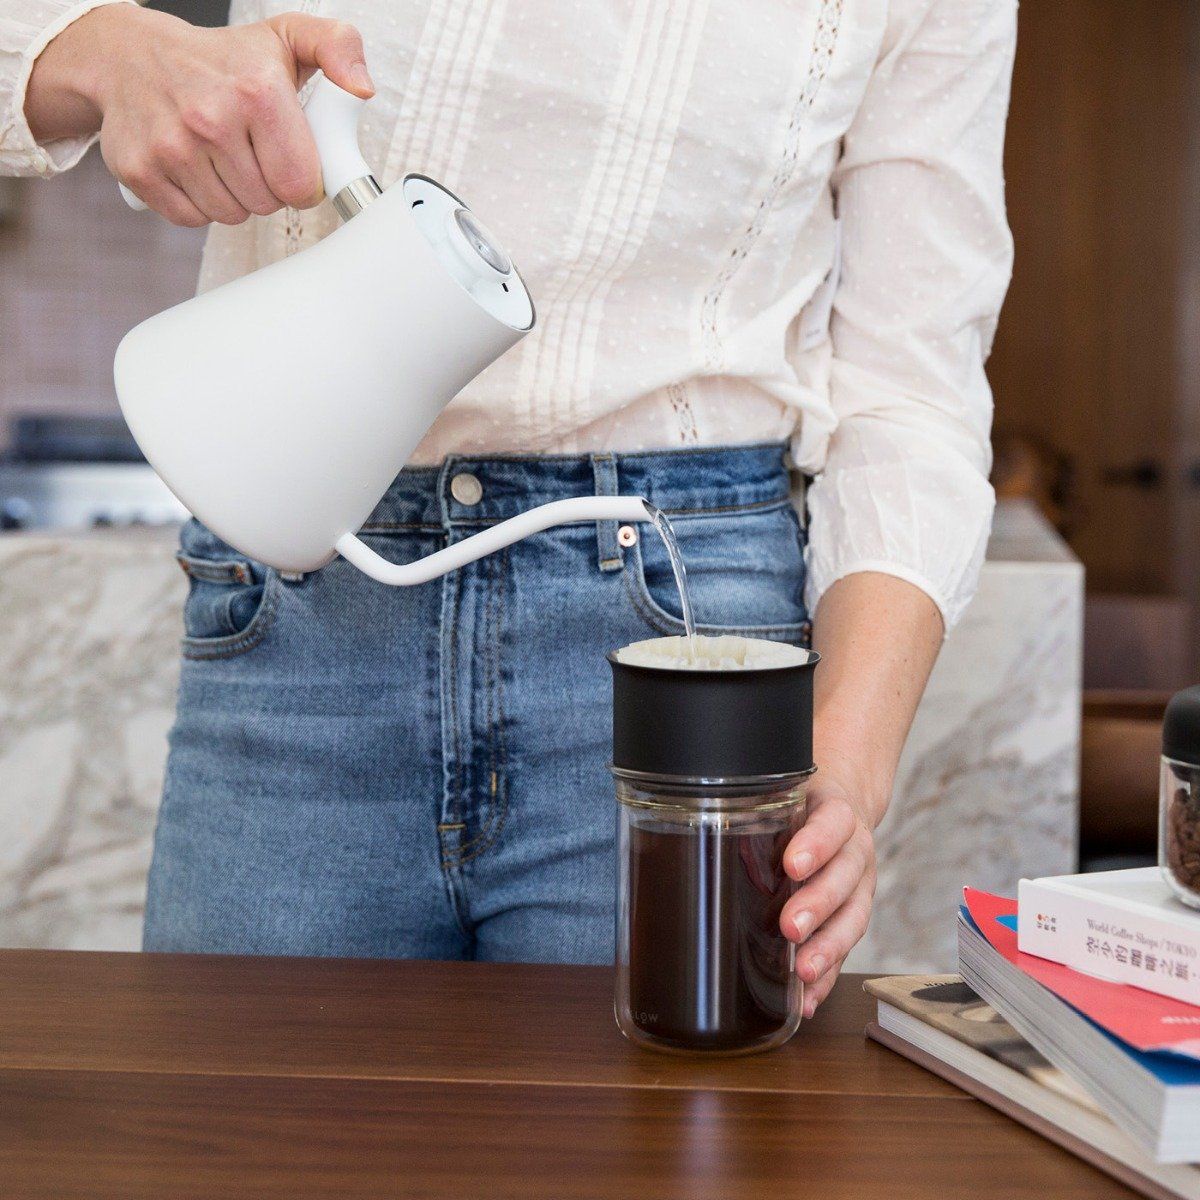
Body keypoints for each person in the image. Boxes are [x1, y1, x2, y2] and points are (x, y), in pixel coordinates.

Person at [2, 0, 1015, 1017]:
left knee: (664, 1152)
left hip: (681, 649)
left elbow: (911, 391)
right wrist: (101, 48)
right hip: (304, 612)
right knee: (241, 1144)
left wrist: (846, 766)